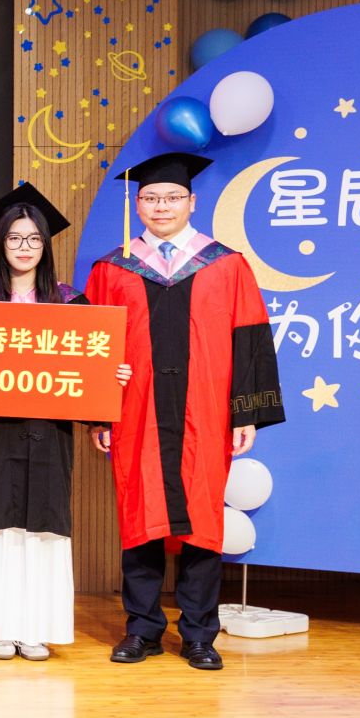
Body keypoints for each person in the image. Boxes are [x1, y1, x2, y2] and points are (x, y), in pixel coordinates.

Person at [86, 151, 285, 671]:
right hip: (136, 413)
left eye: (172, 197)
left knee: (201, 518)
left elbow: (250, 339)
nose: (161, 206)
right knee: (140, 515)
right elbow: (92, 347)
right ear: (137, 204)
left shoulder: (226, 264)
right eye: (151, 198)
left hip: (206, 412)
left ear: (192, 202)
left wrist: (246, 413)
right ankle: (142, 629)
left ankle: (199, 634)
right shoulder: (112, 268)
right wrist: (99, 414)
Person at [0, 183, 131, 661]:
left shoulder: (71, 305)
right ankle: (1, 628)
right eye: (14, 238)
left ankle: (36, 628)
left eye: (33, 239)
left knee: (43, 529)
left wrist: (110, 378)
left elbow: (89, 374)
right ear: (0, 244)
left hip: (48, 436)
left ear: (45, 246)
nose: (24, 247)